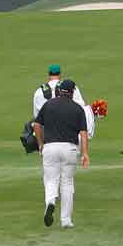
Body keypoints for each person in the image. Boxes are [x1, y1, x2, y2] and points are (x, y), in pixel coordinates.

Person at [32, 78, 90, 228]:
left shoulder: (48, 105)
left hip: (50, 148)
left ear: (60, 91)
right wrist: (85, 153)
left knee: (51, 180)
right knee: (67, 183)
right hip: (69, 149)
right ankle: (66, 220)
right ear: (72, 92)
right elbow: (84, 133)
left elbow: (36, 124)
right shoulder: (78, 109)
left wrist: (40, 144)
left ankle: (50, 201)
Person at [32, 63, 96, 137]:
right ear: (60, 74)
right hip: (69, 133)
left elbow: (37, 118)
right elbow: (81, 108)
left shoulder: (38, 92)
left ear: (49, 74)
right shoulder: (69, 87)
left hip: (48, 135)